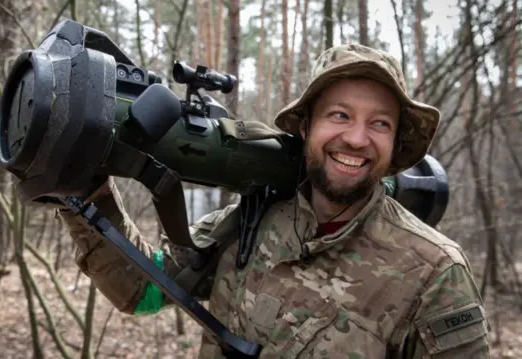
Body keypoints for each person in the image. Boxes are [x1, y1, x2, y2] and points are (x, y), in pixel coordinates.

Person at [55, 44, 490, 358]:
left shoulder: (434, 273)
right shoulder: (253, 217)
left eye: (379, 123)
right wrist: (85, 193)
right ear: (306, 128)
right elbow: (143, 290)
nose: (357, 139)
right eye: (340, 115)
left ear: (395, 143)